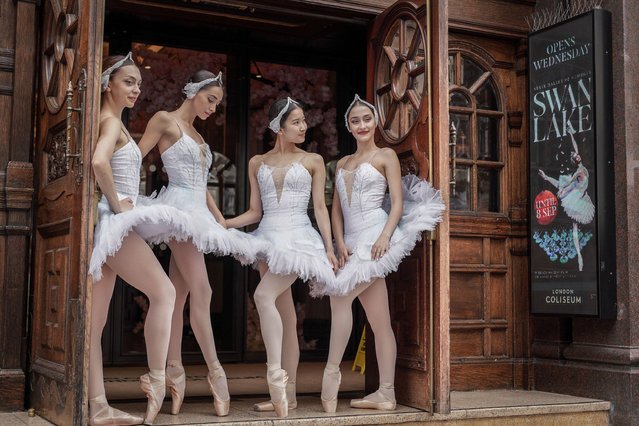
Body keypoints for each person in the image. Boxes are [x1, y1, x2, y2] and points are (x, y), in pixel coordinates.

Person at [138, 70, 257, 417]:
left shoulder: (198, 135)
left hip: (199, 214)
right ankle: (216, 374)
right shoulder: (165, 120)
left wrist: (218, 217)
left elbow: (200, 185)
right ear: (193, 91)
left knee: (180, 294)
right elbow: (136, 156)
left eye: (218, 103)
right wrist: (123, 201)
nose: (214, 108)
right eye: (210, 99)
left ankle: (174, 372)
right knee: (203, 291)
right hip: (178, 213)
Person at [320, 95, 445, 413]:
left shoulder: (385, 155)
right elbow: (335, 210)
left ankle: (331, 374)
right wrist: (338, 242)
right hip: (350, 243)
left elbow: (398, 203)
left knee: (339, 297)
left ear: (375, 122)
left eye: (366, 119)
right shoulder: (343, 164)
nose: (361, 125)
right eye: (355, 121)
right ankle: (386, 393)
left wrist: (386, 236)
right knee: (379, 321)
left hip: (375, 238)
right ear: (348, 127)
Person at [226, 97, 339, 417]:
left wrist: (329, 249)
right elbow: (254, 212)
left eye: (304, 121)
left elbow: (320, 208)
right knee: (287, 317)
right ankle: (287, 396)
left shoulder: (313, 160)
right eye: (297, 122)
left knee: (263, 295)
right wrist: (224, 223)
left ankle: (275, 377)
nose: (304, 127)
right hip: (267, 240)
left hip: (299, 240)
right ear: (279, 125)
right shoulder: (256, 162)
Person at [89, 52, 181, 425]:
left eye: (139, 83)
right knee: (166, 293)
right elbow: (98, 163)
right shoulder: (109, 123)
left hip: (109, 226)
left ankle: (98, 406)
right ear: (108, 83)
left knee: (94, 324)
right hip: (115, 225)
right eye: (128, 81)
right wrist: (117, 204)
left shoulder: (111, 121)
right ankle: (156, 378)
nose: (136, 89)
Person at [538, 132, 594, 271]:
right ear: (574, 161)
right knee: (574, 226)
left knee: (575, 226)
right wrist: (554, 184)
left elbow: (576, 147)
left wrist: (571, 134)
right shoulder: (577, 173)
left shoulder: (580, 166)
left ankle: (580, 256)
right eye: (575, 157)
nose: (577, 156)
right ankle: (579, 257)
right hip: (576, 196)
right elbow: (566, 184)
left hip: (581, 197)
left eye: (577, 155)